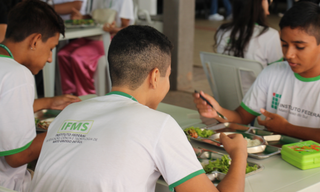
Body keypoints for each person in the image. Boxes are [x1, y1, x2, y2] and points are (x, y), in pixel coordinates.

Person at [30, 25, 248, 192]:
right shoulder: (159, 124)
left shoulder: (69, 112)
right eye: (168, 74)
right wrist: (239, 155)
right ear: (154, 77)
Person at [194, 1, 320, 143]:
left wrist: (286, 128)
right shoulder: (272, 72)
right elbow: (241, 118)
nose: (289, 54)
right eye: (284, 45)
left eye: (300, 47)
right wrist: (217, 111)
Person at [0, 0, 80, 191]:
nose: (50, 58)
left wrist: (48, 102)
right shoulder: (18, 74)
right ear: (35, 41)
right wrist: (65, 127)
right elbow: (17, 157)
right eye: (51, 48)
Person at [58, 0, 134, 96]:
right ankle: (69, 95)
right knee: (63, 54)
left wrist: (112, 29)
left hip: (111, 38)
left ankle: (86, 96)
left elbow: (128, 29)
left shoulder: (124, 1)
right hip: (92, 36)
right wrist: (80, 17)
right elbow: (92, 18)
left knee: (78, 56)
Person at [214, 0, 283, 95]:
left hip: (224, 99)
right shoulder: (270, 35)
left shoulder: (222, 31)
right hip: (256, 103)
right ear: (261, 4)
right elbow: (278, 75)